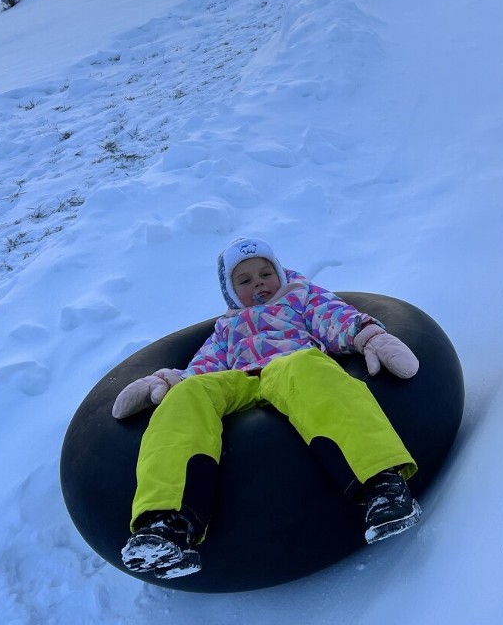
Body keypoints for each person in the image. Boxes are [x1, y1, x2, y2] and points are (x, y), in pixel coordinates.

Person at [114, 236, 422, 579]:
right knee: (187, 395)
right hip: (238, 380)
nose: (258, 283)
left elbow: (333, 317)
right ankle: (166, 524)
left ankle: (381, 484)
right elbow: (205, 364)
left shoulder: (300, 296)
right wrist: (171, 381)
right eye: (244, 281)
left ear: (279, 271)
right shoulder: (226, 326)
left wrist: (366, 335)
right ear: (231, 292)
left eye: (265, 273)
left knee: (312, 370)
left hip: (289, 365)